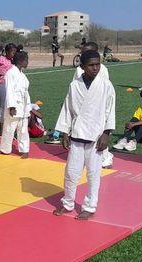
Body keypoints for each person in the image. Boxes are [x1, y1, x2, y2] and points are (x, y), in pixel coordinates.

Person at [53, 50, 115, 220]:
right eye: (91, 65)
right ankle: (67, 203)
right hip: (77, 135)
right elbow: (67, 109)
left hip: (96, 137)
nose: (95, 68)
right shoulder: (74, 86)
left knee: (93, 174)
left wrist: (107, 133)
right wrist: (64, 132)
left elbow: (110, 111)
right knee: (71, 173)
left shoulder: (105, 85)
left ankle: (89, 206)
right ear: (82, 67)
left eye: (98, 64)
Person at [72, 42, 112, 168]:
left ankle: (105, 158)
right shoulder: (79, 70)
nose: (84, 54)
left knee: (99, 139)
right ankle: (84, 159)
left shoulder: (103, 71)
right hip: (82, 110)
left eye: (87, 52)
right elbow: (75, 88)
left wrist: (107, 131)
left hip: (97, 111)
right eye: (83, 52)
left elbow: (105, 94)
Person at [0, 51, 31, 159]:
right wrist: (11, 106)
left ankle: (24, 149)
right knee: (9, 128)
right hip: (13, 106)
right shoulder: (10, 73)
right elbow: (9, 90)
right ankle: (4, 149)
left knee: (23, 130)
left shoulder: (22, 75)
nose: (28, 62)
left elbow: (26, 93)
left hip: (23, 106)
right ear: (21, 61)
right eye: (26, 60)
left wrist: (28, 107)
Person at [0, 43, 16, 135]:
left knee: (12, 105)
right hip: (3, 84)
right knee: (3, 107)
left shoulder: (14, 60)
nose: (14, 54)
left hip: (13, 86)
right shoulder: (1, 59)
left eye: (15, 52)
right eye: (12, 52)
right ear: (7, 52)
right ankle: (1, 131)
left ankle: (10, 128)